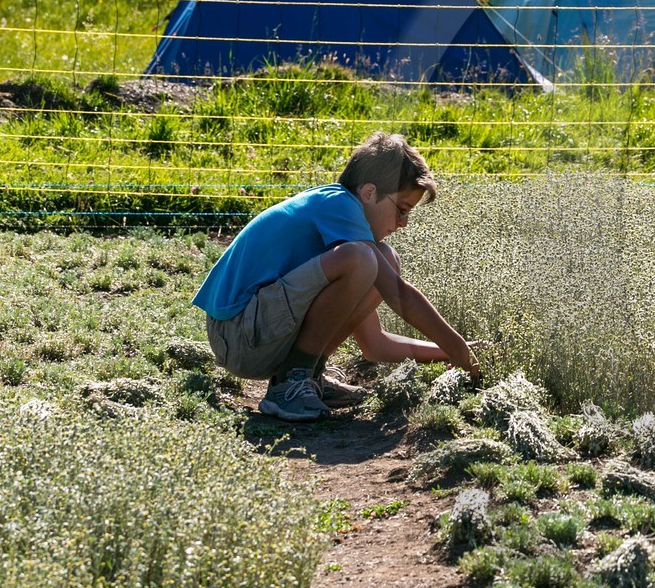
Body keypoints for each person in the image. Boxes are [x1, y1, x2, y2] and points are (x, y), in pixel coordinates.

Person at [194, 131, 480, 422]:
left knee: (385, 259)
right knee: (364, 258)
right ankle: (292, 383)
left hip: (255, 338)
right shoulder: (339, 205)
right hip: (236, 335)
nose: (404, 223)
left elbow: (375, 344)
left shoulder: (349, 237)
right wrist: (455, 346)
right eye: (402, 209)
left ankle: (309, 375)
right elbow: (398, 294)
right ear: (369, 193)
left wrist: (449, 352)